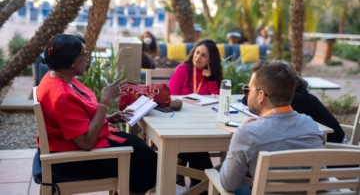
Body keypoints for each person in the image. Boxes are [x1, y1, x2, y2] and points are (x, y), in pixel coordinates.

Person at [37, 34, 157, 195]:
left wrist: (106, 118)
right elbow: (85, 143)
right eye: (84, 54)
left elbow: (72, 120)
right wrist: (105, 102)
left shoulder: (56, 77)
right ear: (71, 60)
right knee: (146, 159)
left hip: (68, 145)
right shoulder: (61, 94)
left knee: (142, 149)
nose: (87, 58)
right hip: (70, 160)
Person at [220, 60, 325, 194]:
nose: (247, 94)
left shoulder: (247, 133)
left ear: (261, 95)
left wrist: (238, 137)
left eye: (248, 90)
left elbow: (229, 184)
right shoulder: (311, 125)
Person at [168, 39, 223, 190]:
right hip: (179, 119)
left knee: (195, 143)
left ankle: (181, 165)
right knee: (196, 145)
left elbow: (218, 99)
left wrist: (211, 79)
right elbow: (171, 96)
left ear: (211, 60)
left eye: (204, 55)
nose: (198, 57)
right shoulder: (183, 69)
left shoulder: (213, 75)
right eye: (197, 52)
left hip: (203, 122)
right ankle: (201, 186)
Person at [241, 75, 346, 143]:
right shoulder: (300, 95)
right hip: (325, 142)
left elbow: (247, 100)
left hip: (334, 147)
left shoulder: (295, 99)